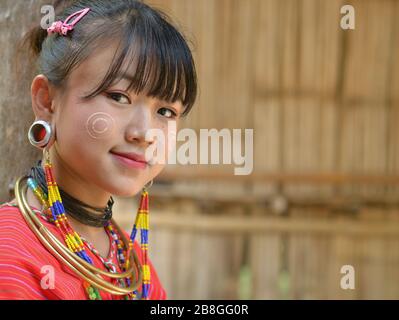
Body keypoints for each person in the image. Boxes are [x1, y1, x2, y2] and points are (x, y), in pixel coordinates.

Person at [0, 0, 197, 300]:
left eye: (166, 112)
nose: (144, 134)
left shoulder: (130, 264)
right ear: (47, 101)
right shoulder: (11, 255)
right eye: (119, 97)